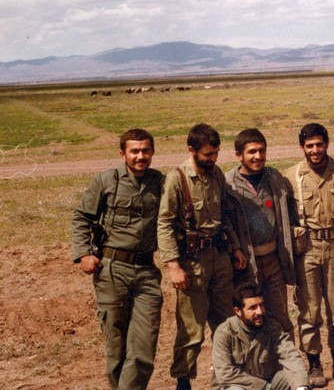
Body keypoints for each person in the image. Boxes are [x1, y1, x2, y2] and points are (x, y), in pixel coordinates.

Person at [71, 129, 163, 390]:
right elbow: (81, 217)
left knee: (144, 346)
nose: (140, 156)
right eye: (134, 151)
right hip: (112, 270)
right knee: (116, 347)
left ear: (152, 152)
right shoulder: (106, 181)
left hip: (146, 271)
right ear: (123, 154)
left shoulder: (160, 182)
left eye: (145, 150)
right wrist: (84, 254)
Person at [158, 123, 247, 390]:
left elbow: (225, 217)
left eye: (216, 153)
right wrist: (173, 265)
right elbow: (164, 223)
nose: (213, 159)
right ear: (191, 150)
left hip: (220, 258)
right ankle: (183, 382)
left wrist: (236, 248)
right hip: (192, 264)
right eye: (208, 154)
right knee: (191, 329)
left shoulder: (216, 174)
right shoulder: (177, 179)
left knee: (227, 323)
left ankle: (226, 378)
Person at [284, 123, 334, 387]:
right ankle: (314, 365)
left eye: (319, 144)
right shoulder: (291, 177)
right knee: (309, 310)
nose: (315, 150)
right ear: (302, 148)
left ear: (327, 144)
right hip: (306, 249)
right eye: (310, 146)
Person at [225, 128, 296, 335]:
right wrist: (236, 248)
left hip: (274, 261)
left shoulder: (274, 177)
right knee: (250, 318)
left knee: (280, 318)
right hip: (245, 265)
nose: (258, 156)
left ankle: (285, 356)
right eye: (252, 152)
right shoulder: (229, 183)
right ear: (239, 155)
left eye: (262, 150)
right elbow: (226, 222)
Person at [211, 282, 311, 390]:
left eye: (261, 305)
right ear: (238, 311)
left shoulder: (272, 327)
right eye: (253, 307)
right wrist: (265, 387)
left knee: (293, 378)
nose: (260, 311)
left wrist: (301, 387)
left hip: (266, 381)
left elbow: (290, 356)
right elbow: (226, 374)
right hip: (237, 385)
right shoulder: (224, 332)